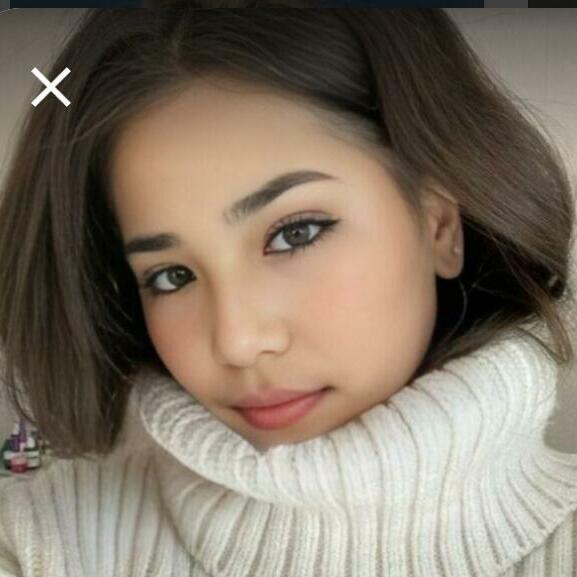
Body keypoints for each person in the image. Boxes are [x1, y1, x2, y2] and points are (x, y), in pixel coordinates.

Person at [0, 4, 576, 576]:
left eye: (295, 234)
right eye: (172, 276)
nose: (238, 342)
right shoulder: (34, 543)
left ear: (438, 223)